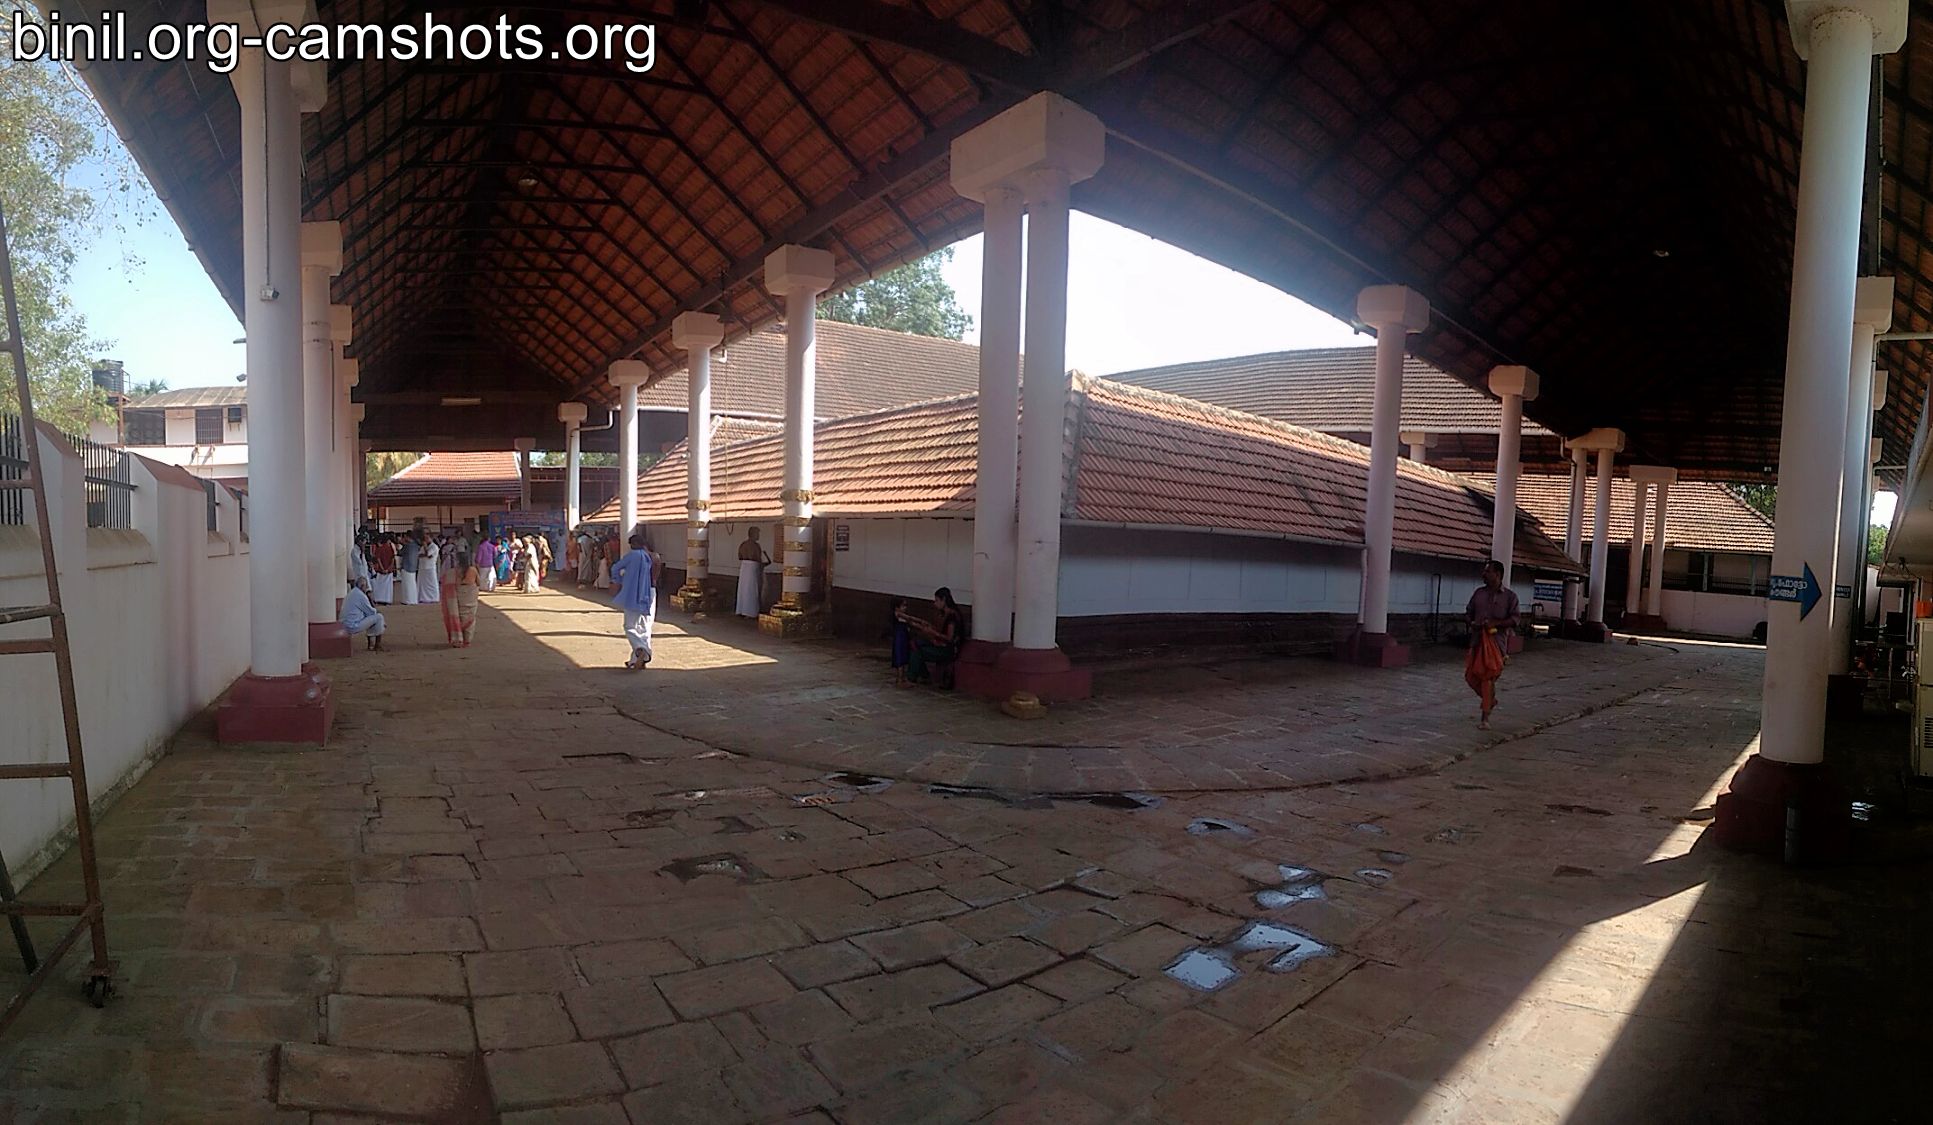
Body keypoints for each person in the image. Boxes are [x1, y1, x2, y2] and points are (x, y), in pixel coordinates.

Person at [1465, 559, 1520, 730]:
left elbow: (1515, 619)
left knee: (1487, 677)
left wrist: (1496, 623)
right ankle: (1490, 700)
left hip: (1497, 644)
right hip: (1477, 641)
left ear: (1497, 574)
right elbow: (1468, 613)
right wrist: (1472, 623)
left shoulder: (1510, 597)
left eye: (1487, 571)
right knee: (1471, 677)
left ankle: (1485, 718)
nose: (1483, 574)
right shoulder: (1479, 593)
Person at [610, 530, 660, 669]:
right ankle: (637, 660)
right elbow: (655, 577)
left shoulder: (633, 556)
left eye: (631, 544)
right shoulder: (654, 557)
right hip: (650, 593)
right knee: (645, 627)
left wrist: (619, 580)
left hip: (633, 593)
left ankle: (640, 650)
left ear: (637, 544)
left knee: (630, 626)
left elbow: (615, 568)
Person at [903, 587, 965, 688]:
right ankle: (924, 675)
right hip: (939, 644)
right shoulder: (944, 614)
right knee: (914, 643)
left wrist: (933, 632)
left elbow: (949, 638)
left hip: (947, 649)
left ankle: (912, 678)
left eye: (937, 600)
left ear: (944, 600)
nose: (935, 603)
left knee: (918, 652)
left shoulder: (952, 616)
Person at [341, 578, 385, 650]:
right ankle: (377, 645)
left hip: (343, 624)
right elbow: (370, 612)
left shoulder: (352, 592)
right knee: (379, 617)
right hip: (352, 625)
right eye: (366, 586)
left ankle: (370, 645)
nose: (366, 588)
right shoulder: (360, 595)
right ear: (362, 586)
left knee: (371, 618)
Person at [736, 527, 770, 618]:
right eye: (757, 534)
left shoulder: (743, 545)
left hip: (744, 568)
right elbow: (758, 559)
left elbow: (739, 556)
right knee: (751, 590)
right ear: (753, 534)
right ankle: (750, 612)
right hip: (752, 568)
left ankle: (741, 610)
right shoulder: (756, 546)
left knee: (743, 589)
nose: (758, 536)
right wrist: (763, 564)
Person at [454, 547, 481, 647]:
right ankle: (467, 640)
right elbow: (478, 583)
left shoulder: (456, 571)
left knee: (459, 617)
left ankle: (459, 639)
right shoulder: (473, 570)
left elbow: (452, 584)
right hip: (471, 596)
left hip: (460, 595)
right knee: (470, 617)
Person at [889, 598, 912, 686]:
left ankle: (902, 678)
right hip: (899, 638)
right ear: (897, 607)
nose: (905, 608)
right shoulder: (898, 614)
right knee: (900, 658)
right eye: (903, 606)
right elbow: (909, 619)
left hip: (904, 638)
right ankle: (900, 679)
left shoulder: (902, 615)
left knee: (903, 657)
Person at [371, 534, 398, 605]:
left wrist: (382, 568)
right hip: (389, 571)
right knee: (388, 587)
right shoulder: (390, 548)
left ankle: (379, 599)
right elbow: (392, 559)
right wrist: (389, 568)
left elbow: (378, 559)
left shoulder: (379, 548)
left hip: (380, 571)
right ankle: (388, 600)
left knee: (379, 585)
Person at [397, 532, 421, 606]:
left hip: (406, 567)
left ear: (407, 537)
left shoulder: (407, 546)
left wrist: (399, 545)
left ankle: (408, 600)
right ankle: (413, 599)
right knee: (412, 584)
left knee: (407, 585)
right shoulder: (416, 546)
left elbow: (400, 553)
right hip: (413, 567)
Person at [417, 533, 441, 605]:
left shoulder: (434, 547)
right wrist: (424, 553)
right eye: (425, 538)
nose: (426, 540)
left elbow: (428, 555)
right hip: (422, 567)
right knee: (423, 584)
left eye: (427, 538)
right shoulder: (423, 547)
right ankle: (423, 598)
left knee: (432, 583)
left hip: (430, 568)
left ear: (431, 538)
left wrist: (425, 548)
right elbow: (419, 555)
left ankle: (434, 598)